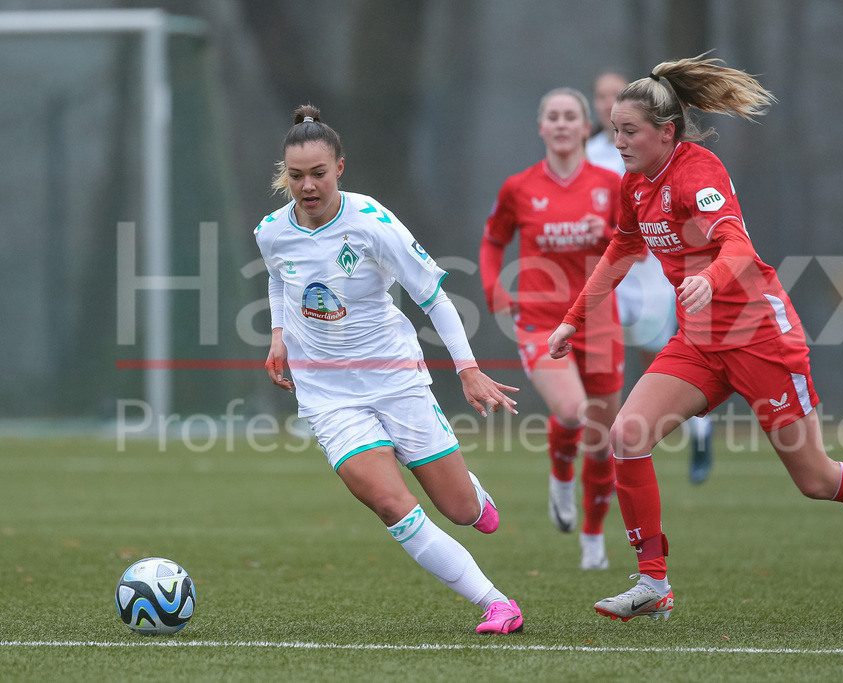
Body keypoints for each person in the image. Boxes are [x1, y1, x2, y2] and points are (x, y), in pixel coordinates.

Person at [548, 56, 843, 622]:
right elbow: (622, 250)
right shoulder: (635, 184)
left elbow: (737, 247)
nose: (617, 141)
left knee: (816, 479)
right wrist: (575, 318)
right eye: (616, 130)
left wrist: (707, 278)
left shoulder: (698, 173)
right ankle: (653, 581)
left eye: (629, 131)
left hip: (758, 336)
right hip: (700, 340)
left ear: (664, 132)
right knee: (628, 433)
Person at [256, 105, 523, 635]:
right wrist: (279, 336)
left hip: (396, 380)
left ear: (340, 168)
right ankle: (497, 603)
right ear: (285, 175)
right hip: (326, 395)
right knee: (388, 502)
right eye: (296, 176)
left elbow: (436, 300)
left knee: (460, 510)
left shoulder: (373, 223)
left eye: (318, 174)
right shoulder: (270, 231)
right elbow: (277, 280)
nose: (307, 187)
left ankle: (471, 494)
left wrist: (468, 370)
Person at [480, 88, 624, 570]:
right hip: (540, 318)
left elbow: (635, 243)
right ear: (541, 127)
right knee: (572, 410)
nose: (562, 125)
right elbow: (493, 240)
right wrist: (493, 286)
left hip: (600, 320)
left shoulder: (612, 184)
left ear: (587, 128)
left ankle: (593, 539)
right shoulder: (519, 187)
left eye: (571, 117)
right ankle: (561, 474)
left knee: (604, 440)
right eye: (553, 117)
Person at [587, 69, 714, 484]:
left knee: (659, 355)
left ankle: (700, 433)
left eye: (614, 94)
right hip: (616, 272)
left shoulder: (662, 157)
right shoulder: (591, 153)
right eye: (601, 96)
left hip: (651, 274)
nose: (607, 102)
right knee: (606, 353)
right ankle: (616, 441)